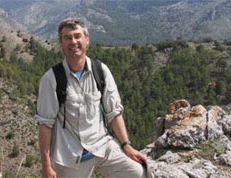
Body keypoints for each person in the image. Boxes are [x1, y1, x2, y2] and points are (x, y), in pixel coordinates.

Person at [35, 17, 147, 178]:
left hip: (102, 146)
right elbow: (45, 124)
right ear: (61, 44)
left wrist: (126, 145)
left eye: (77, 36)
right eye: (67, 38)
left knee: (138, 173)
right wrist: (46, 165)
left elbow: (114, 112)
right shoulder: (51, 79)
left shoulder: (100, 70)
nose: (73, 42)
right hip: (70, 156)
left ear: (87, 40)